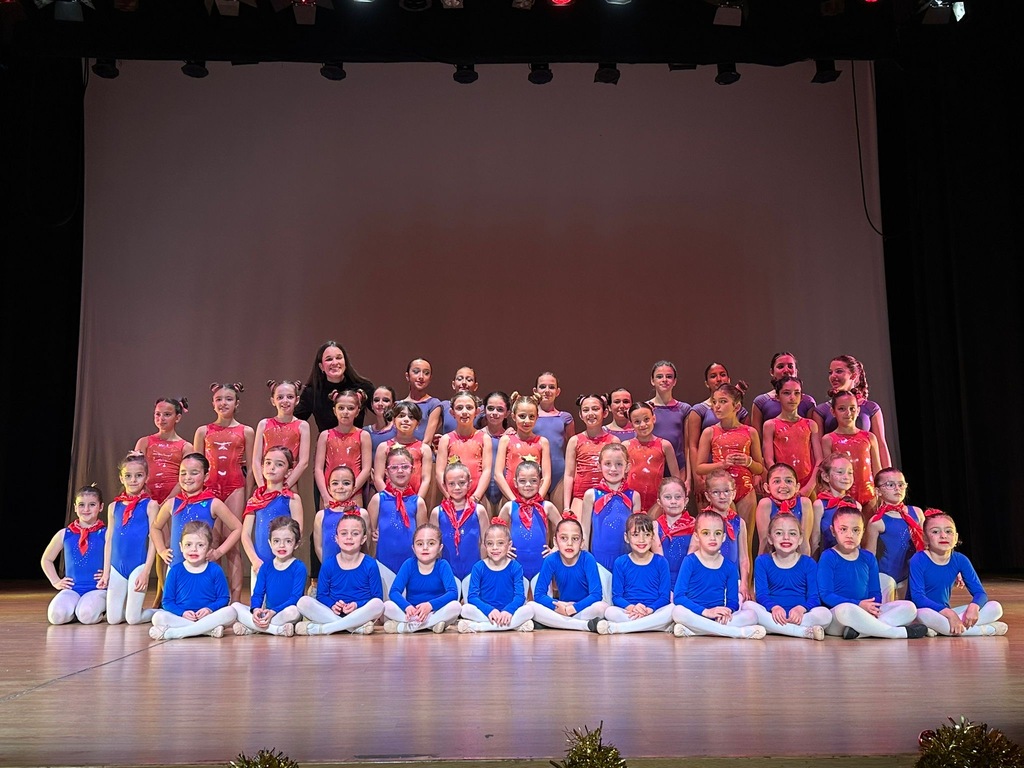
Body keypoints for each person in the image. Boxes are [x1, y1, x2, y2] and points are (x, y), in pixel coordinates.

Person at [816, 506, 929, 639]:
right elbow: (826, 595)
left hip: (866, 612)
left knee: (909, 607)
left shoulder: (868, 558)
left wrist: (872, 608)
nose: (850, 535)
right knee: (845, 610)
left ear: (863, 532)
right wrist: (858, 605)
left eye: (856, 530)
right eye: (843, 529)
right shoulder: (828, 556)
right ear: (833, 531)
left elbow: (875, 592)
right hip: (840, 616)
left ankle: (860, 632)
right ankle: (899, 633)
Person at [192, 382, 255, 604]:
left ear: (237, 403)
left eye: (228, 399)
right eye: (219, 399)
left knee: (232, 544)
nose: (223, 403)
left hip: (234, 487)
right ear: (213, 403)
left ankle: (236, 601)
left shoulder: (246, 431)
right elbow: (195, 465)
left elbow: (252, 468)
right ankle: (217, 598)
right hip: (209, 490)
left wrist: (248, 496)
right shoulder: (203, 431)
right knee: (212, 543)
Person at [150, 453, 243, 593]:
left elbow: (237, 528)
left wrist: (218, 552)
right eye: (183, 473)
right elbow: (155, 527)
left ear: (205, 476)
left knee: (201, 606)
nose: (187, 478)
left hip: (203, 568)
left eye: (194, 473)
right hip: (176, 567)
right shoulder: (172, 503)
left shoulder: (213, 503)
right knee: (174, 608)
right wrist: (161, 550)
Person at [134, 395, 193, 607]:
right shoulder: (144, 442)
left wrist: (168, 500)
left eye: (167, 414)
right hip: (148, 500)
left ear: (177, 417)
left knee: (167, 545)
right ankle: (157, 588)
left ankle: (165, 590)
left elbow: (187, 477)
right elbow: (135, 472)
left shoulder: (186, 447)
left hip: (172, 500)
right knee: (154, 545)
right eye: (157, 414)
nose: (161, 418)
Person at [909, 510, 1007, 636]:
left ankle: (943, 629)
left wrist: (974, 606)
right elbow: (918, 598)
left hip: (944, 614)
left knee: (995, 607)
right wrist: (950, 614)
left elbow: (980, 593)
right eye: (935, 532)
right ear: (925, 538)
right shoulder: (918, 559)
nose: (943, 536)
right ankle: (987, 629)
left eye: (948, 531)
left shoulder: (961, 560)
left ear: (955, 537)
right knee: (925, 614)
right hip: (925, 612)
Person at [670, 510, 766, 639]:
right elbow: (679, 597)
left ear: (724, 537)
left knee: (752, 616)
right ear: (697, 536)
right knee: (678, 612)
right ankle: (735, 633)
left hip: (718, 617)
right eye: (706, 533)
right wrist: (706, 612)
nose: (712, 538)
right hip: (696, 613)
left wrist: (727, 611)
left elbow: (733, 602)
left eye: (717, 533)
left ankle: (695, 630)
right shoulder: (690, 561)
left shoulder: (730, 567)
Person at [694, 383, 763, 557]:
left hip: (745, 489)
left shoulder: (750, 432)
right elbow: (700, 467)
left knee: (746, 544)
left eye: (723, 401)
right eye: (714, 402)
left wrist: (748, 461)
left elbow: (760, 467)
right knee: (725, 543)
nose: (717, 406)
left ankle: (745, 584)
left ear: (736, 407)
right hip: (722, 491)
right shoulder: (710, 432)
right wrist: (721, 465)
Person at [743, 512, 830, 639]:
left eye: (792, 533)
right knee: (747, 606)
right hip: (773, 614)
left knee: (825, 614)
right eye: (779, 533)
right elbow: (761, 595)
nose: (786, 537)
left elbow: (814, 597)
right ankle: (801, 631)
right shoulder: (762, 561)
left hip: (801, 615)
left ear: (800, 539)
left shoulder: (808, 563)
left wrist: (802, 608)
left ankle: (777, 628)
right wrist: (774, 607)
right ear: (770, 539)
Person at [294, 514, 385, 635]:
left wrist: (356, 605)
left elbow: (376, 597)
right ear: (336, 538)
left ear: (363, 539)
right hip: (333, 614)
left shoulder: (370, 564)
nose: (349, 538)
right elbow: (322, 596)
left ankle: (327, 628)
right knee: (303, 602)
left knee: (378, 605)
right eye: (344, 533)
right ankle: (352, 628)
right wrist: (333, 605)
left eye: (355, 534)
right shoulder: (328, 565)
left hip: (360, 614)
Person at [149, 520, 237, 640]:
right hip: (182, 617)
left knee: (231, 611)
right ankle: (207, 630)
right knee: (158, 617)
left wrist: (209, 609)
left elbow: (224, 598)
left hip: (208, 616)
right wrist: (182, 613)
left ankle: (176, 633)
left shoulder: (215, 570)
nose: (194, 549)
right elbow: (167, 602)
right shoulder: (175, 571)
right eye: (188, 545)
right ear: (181, 547)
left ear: (209, 548)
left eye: (200, 545)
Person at [100, 452, 158, 625]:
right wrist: (106, 572)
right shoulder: (113, 507)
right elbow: (109, 540)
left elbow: (155, 541)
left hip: (138, 567)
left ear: (146, 477)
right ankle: (128, 609)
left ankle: (159, 612)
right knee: (113, 619)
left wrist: (146, 571)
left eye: (139, 476)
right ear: (121, 478)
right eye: (128, 476)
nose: (133, 480)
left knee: (133, 619)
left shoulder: (151, 505)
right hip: (116, 567)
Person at [591, 514, 673, 635]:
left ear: (652, 537)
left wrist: (649, 610)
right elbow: (617, 596)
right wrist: (632, 608)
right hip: (629, 612)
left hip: (653, 611)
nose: (641, 540)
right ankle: (652, 626)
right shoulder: (621, 562)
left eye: (647, 535)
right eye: (635, 535)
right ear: (626, 537)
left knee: (673, 610)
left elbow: (664, 597)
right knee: (610, 612)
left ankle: (622, 628)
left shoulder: (661, 562)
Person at [240, 446, 304, 599]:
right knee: (259, 607)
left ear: (289, 471)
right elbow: (245, 534)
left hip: (284, 564)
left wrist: (284, 558)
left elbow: (297, 533)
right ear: (262, 467)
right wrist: (255, 561)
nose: (272, 467)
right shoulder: (255, 500)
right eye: (268, 463)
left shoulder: (292, 499)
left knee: (283, 604)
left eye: (279, 464)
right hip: (260, 565)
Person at [527, 513, 610, 631]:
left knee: (602, 608)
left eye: (575, 539)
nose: (569, 543)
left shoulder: (587, 558)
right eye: (564, 538)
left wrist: (574, 608)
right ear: (555, 542)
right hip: (561, 608)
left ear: (581, 543)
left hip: (583, 608)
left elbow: (596, 594)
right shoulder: (551, 560)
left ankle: (555, 623)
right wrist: (558, 605)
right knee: (531, 606)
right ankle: (584, 625)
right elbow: (539, 595)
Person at [41, 484, 108, 625]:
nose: (86, 509)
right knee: (56, 617)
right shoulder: (65, 534)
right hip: (72, 588)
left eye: (92, 505)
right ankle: (75, 609)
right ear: (75, 507)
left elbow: (119, 558)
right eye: (81, 505)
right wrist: (56, 581)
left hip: (97, 588)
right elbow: (46, 559)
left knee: (87, 616)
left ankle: (96, 609)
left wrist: (107, 574)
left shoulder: (106, 533)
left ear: (101, 507)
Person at [580, 442, 648, 573]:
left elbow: (636, 532)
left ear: (627, 467)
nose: (613, 469)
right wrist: (585, 559)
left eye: (619, 464)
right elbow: (585, 530)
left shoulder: (634, 496)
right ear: (599, 465)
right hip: (598, 560)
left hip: (627, 560)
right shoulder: (591, 495)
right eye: (607, 464)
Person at [232, 516, 306, 636]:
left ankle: (254, 627)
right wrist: (256, 609)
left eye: (288, 541)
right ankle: (274, 629)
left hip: (284, 613)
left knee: (294, 612)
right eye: (276, 541)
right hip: (268, 613)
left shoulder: (299, 567)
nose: (281, 545)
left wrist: (273, 611)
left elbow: (295, 598)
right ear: (270, 543)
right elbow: (258, 594)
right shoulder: (266, 568)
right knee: (235, 606)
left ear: (296, 544)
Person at [382, 523, 462, 634]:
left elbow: (453, 593)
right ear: (413, 548)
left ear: (440, 548)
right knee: (386, 606)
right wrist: (407, 607)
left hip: (435, 611)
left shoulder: (442, 565)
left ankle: (405, 627)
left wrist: (430, 605)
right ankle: (431, 625)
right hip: (412, 614)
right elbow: (394, 592)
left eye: (431, 543)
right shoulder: (409, 564)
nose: (425, 547)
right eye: (420, 544)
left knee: (456, 607)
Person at [813, 354, 891, 467]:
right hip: (837, 474)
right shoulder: (821, 410)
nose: (833, 376)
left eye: (839, 371)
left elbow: (881, 445)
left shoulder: (871, 408)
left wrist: (887, 476)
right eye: (831, 373)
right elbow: (819, 451)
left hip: (865, 472)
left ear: (853, 375)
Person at [458, 519, 535, 632]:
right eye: (490, 544)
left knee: (530, 610)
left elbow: (519, 596)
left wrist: (508, 611)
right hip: (486, 613)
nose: (495, 548)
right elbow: (473, 597)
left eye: (500, 543)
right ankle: (514, 625)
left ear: (509, 545)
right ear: (485, 546)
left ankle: (480, 627)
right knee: (465, 609)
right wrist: (489, 610)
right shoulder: (478, 567)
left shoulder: (515, 567)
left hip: (508, 613)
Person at [686, 362, 749, 499]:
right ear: (707, 383)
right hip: (708, 472)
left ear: (729, 379)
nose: (719, 379)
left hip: (737, 475)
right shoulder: (699, 410)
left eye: (723, 375)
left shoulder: (740, 411)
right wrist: (698, 479)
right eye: (713, 376)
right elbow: (693, 445)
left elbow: (747, 442)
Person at [689, 468, 753, 601]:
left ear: (733, 493)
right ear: (708, 496)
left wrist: (745, 584)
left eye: (726, 491)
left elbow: (744, 558)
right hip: (707, 581)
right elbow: (691, 554)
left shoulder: (739, 522)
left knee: (749, 611)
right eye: (716, 492)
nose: (722, 496)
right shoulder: (702, 520)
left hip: (732, 582)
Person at [864, 468, 925, 601]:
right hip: (885, 575)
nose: (897, 488)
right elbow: (869, 555)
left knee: (911, 612)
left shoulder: (917, 513)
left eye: (901, 484)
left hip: (909, 575)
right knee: (888, 614)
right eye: (891, 485)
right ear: (878, 491)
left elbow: (926, 546)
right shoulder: (876, 521)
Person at [368, 445, 429, 577]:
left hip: (411, 565)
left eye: (405, 467)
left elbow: (423, 536)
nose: (400, 471)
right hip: (382, 564)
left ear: (413, 470)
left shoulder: (418, 502)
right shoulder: (378, 500)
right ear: (386, 472)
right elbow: (370, 535)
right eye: (394, 467)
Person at [497, 459, 560, 587]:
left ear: (540, 483)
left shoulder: (547, 506)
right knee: (519, 602)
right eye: (522, 481)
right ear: (515, 483)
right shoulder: (509, 507)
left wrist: (556, 548)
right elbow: (496, 533)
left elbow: (565, 529)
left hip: (541, 565)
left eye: (533, 481)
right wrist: (503, 549)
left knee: (542, 601)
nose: (528, 485)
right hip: (516, 564)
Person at [295, 340, 375, 435]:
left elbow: (383, 412)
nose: (335, 362)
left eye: (339, 358)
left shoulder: (363, 387)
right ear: (321, 366)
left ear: (345, 363)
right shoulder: (312, 392)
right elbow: (294, 422)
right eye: (329, 359)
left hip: (357, 445)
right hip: (326, 446)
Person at [761, 375, 822, 498]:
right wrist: (780, 482)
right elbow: (768, 459)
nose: (792, 398)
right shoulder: (771, 425)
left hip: (806, 484)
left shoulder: (810, 425)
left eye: (797, 393)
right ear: (777, 397)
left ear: (801, 396)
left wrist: (809, 487)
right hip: (782, 487)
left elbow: (819, 460)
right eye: (787, 393)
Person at [430, 462, 490, 585]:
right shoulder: (437, 512)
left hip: (474, 571)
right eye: (451, 484)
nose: (457, 488)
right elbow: (434, 546)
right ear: (444, 486)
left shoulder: (479, 511)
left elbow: (485, 543)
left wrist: (484, 570)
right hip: (447, 573)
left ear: (469, 484)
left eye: (462, 483)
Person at [820, 391, 881, 511]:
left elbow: (877, 469)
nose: (848, 413)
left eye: (852, 408)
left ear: (858, 411)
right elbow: (828, 473)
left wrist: (878, 496)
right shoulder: (828, 439)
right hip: (842, 499)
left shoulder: (869, 437)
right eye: (842, 409)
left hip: (871, 499)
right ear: (833, 412)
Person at [434, 391, 493, 512]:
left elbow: (487, 470)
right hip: (451, 500)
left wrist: (475, 497)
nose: (464, 412)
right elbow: (439, 473)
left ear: (477, 412)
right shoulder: (446, 439)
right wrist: (449, 496)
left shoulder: (484, 438)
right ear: (452, 413)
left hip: (477, 499)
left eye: (469, 408)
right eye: (459, 408)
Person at [313, 389, 373, 506]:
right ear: (334, 410)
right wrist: (325, 495)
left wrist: (350, 491)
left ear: (357, 412)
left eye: (350, 408)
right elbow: (318, 469)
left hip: (354, 494)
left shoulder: (363, 436)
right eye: (341, 408)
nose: (345, 412)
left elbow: (366, 469)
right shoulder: (325, 435)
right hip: (329, 493)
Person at [563, 394, 618, 516]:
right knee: (580, 533)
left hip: (607, 495)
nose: (590, 413)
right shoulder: (575, 441)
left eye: (595, 409)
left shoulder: (614, 441)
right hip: (580, 497)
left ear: (605, 412)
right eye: (586, 410)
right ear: (580, 415)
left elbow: (619, 474)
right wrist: (566, 506)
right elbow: (569, 474)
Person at [252, 379, 311, 491]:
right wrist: (262, 487)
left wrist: (286, 485)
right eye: (280, 397)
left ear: (297, 400)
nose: (285, 401)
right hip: (266, 483)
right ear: (273, 401)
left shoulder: (302, 426)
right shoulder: (264, 424)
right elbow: (256, 460)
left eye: (290, 397)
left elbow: (303, 462)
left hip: (289, 483)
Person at [623, 401, 680, 516]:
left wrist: (663, 502)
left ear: (654, 418)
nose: (643, 425)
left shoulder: (665, 445)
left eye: (646, 419)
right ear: (631, 424)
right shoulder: (626, 446)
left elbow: (676, 479)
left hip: (657, 503)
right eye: (637, 422)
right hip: (631, 501)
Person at [372, 400, 434, 501]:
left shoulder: (424, 449)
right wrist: (389, 499)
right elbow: (378, 478)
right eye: (401, 416)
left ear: (417, 423)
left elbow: (426, 479)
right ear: (393, 420)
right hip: (389, 500)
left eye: (411, 417)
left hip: (413, 500)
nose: (406, 420)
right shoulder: (384, 447)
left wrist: (417, 501)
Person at [494, 392, 552, 501]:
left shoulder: (542, 442)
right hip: (510, 499)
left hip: (535, 500)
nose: (527, 421)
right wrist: (514, 500)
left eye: (531, 417)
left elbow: (547, 477)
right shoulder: (506, 440)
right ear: (513, 416)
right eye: (522, 416)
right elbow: (498, 474)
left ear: (537, 417)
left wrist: (537, 499)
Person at [646, 360, 691, 493]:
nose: (664, 380)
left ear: (675, 381)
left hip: (677, 468)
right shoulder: (645, 408)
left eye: (669, 376)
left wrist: (688, 478)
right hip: (652, 467)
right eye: (659, 376)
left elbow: (687, 446)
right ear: (652, 381)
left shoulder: (684, 409)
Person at [313, 465, 369, 573]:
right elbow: (319, 547)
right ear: (328, 488)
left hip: (356, 571)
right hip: (330, 572)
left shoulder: (362, 514)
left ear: (354, 488)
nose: (340, 487)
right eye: (335, 483)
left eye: (346, 483)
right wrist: (328, 567)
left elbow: (367, 547)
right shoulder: (321, 516)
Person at [532, 372, 575, 507]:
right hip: (535, 475)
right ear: (535, 391)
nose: (547, 391)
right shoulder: (528, 417)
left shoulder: (565, 418)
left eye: (551, 387)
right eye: (542, 386)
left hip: (559, 475)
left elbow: (573, 448)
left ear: (558, 391)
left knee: (558, 520)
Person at [750, 352, 817, 438]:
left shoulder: (808, 402)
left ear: (796, 371)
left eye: (790, 366)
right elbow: (757, 438)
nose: (786, 371)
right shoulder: (760, 402)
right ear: (772, 372)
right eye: (780, 367)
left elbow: (813, 437)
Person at [754, 463, 813, 556]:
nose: (783, 485)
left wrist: (804, 568)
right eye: (777, 481)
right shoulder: (765, 504)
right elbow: (765, 543)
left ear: (797, 487)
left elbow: (804, 542)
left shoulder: (804, 503)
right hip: (773, 561)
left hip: (796, 560)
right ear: (767, 487)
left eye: (788, 481)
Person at [810, 452, 862, 558]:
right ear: (826, 476)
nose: (846, 477)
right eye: (840, 472)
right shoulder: (819, 505)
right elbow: (815, 539)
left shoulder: (856, 505)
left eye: (850, 473)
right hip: (829, 560)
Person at [652, 477, 695, 590]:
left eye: (678, 497)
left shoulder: (695, 527)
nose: (673, 501)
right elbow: (659, 562)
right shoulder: (655, 526)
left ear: (685, 501)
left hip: (687, 582)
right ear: (659, 502)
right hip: (662, 583)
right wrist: (665, 589)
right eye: (667, 497)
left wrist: (681, 589)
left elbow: (690, 563)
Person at [481, 391, 512, 510]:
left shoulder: (511, 437)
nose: (494, 413)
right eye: (490, 408)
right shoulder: (478, 436)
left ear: (507, 413)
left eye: (500, 409)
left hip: (505, 492)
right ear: (484, 410)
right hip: (483, 493)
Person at [403, 357, 443, 449]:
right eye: (416, 372)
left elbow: (427, 440)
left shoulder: (434, 404)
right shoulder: (397, 405)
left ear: (430, 378)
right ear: (407, 376)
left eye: (426, 373)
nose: (421, 377)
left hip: (422, 454)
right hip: (399, 456)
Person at [438, 366, 480, 435]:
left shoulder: (482, 409)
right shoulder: (444, 406)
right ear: (453, 384)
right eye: (459, 379)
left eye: (469, 380)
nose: (464, 382)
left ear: (475, 386)